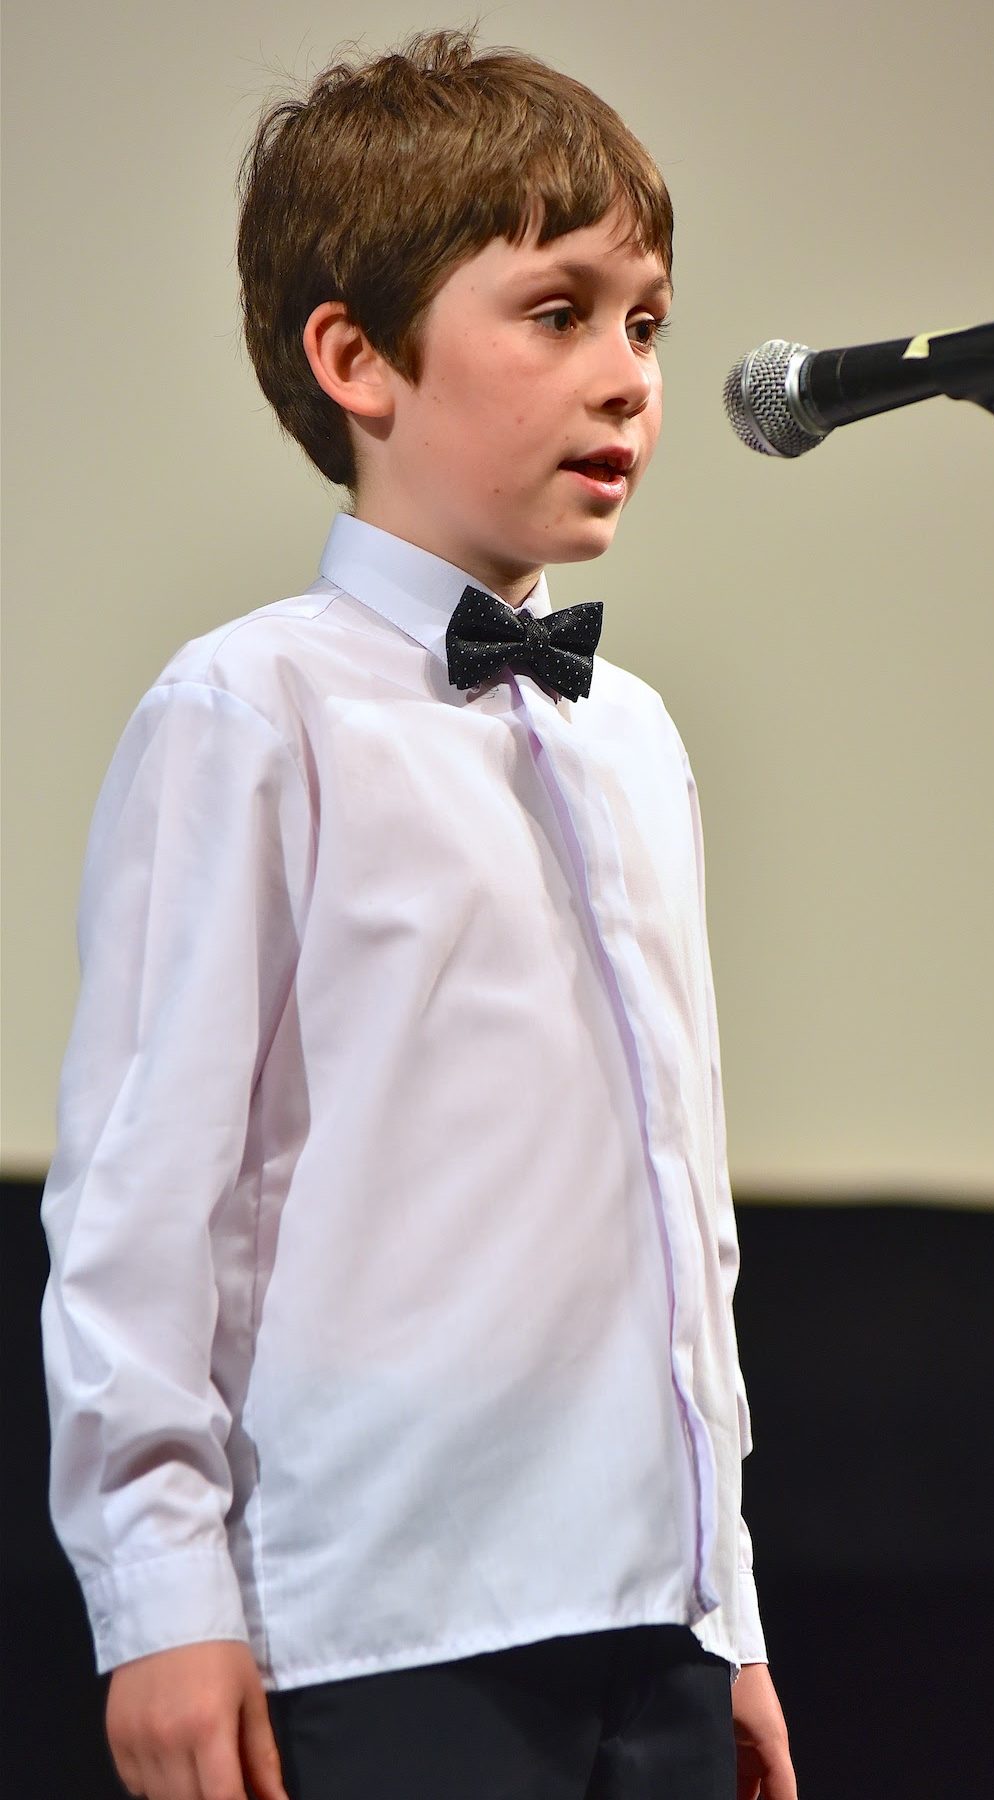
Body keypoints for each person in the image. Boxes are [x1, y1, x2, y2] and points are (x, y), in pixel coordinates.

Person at [39, 25, 798, 1800]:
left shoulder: (634, 738)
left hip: (652, 1623)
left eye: (645, 324)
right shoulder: (251, 709)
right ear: (355, 357)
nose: (626, 379)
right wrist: (157, 1597)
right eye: (557, 314)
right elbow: (145, 1198)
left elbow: (679, 1214)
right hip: (382, 1624)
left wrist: (731, 1610)